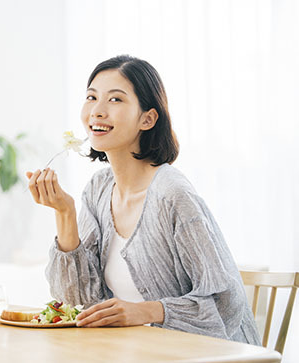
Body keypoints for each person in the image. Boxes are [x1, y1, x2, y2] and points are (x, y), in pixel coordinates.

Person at [26, 55, 261, 345]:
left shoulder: (173, 194)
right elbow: (79, 305)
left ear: (147, 119)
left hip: (208, 354)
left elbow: (225, 302)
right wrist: (64, 213)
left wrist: (146, 311)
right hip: (137, 352)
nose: (97, 111)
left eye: (115, 100)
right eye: (91, 97)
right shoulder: (98, 189)